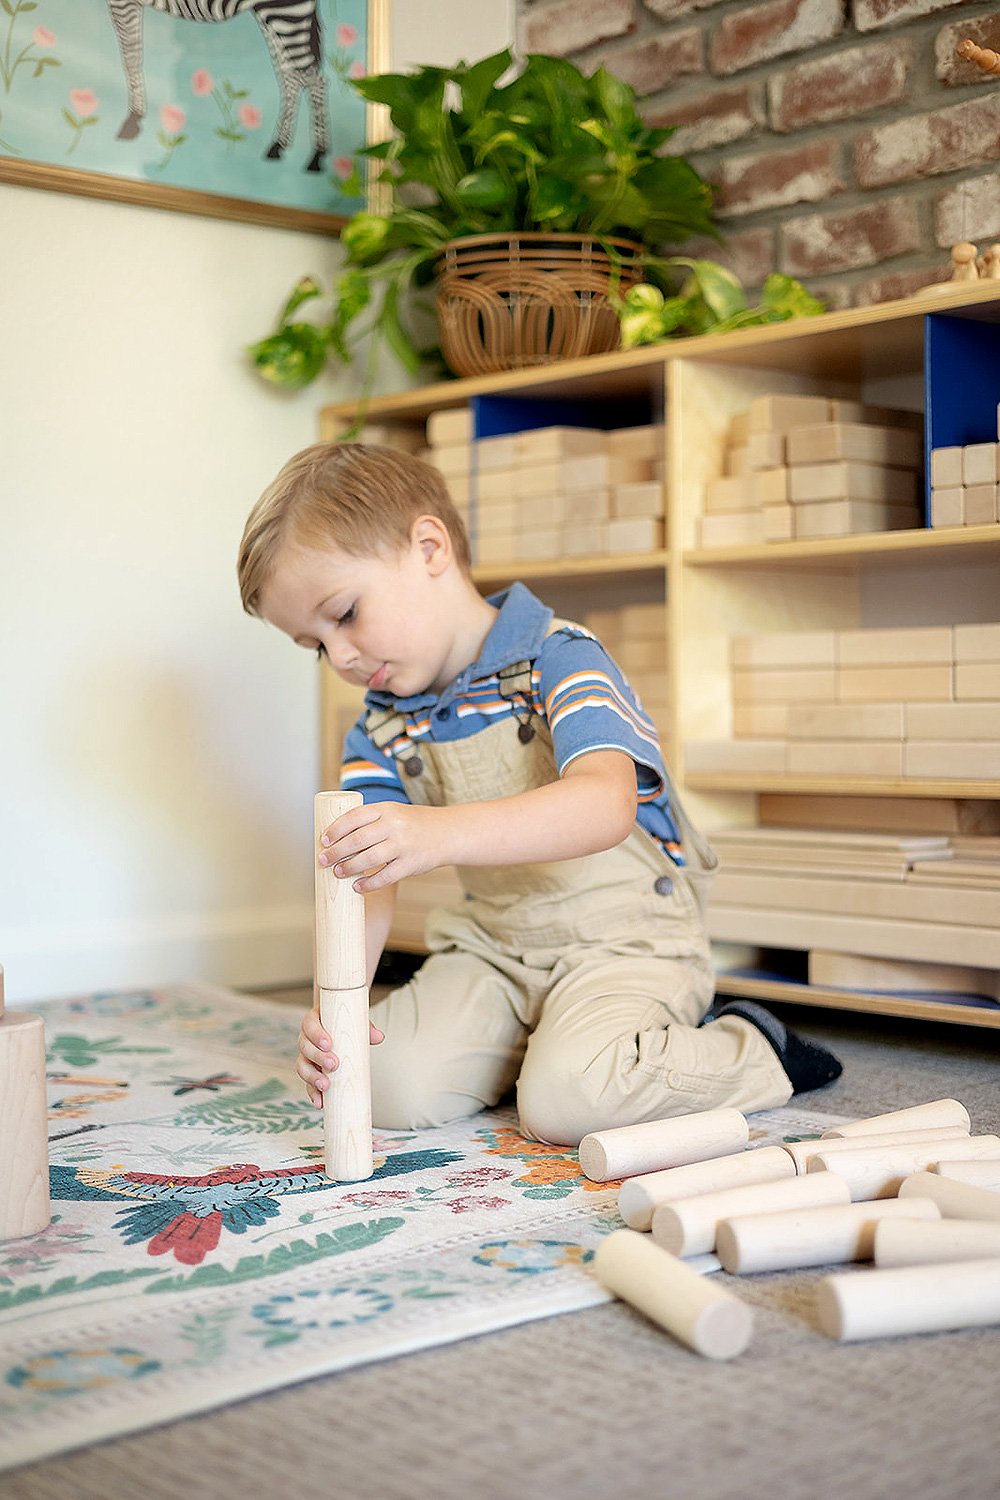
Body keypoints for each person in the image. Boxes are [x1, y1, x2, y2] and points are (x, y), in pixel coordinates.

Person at [237, 441, 841, 1146]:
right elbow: (364, 881)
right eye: (314, 644)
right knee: (383, 1083)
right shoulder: (379, 726)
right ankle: (543, 1044)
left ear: (429, 548)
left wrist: (437, 832)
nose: (338, 657)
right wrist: (331, 1009)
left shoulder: (560, 655)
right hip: (497, 944)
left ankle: (754, 1048)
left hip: (623, 940)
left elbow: (604, 806)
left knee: (566, 1107)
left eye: (343, 615)